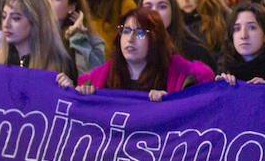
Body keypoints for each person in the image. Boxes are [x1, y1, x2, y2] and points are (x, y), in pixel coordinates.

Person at [69, 7, 214, 98]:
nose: (130, 39)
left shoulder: (177, 71)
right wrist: (74, 91)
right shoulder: (103, 75)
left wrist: (171, 102)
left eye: (139, 33)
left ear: (155, 38)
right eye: (125, 31)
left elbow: (205, 81)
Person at [0, 0, 76, 83]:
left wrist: (68, 88)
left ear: (36, 22)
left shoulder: (62, 63)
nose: (6, 24)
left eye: (16, 18)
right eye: (4, 16)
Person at [140, 0, 217, 70]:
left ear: (173, 12)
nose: (154, 12)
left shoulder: (196, 52)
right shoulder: (131, 48)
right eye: (148, 7)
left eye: (162, 6)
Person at [42, 0, 106, 76]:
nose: (47, 2)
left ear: (71, 7)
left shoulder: (92, 41)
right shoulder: (29, 33)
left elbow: (91, 79)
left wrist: (78, 38)